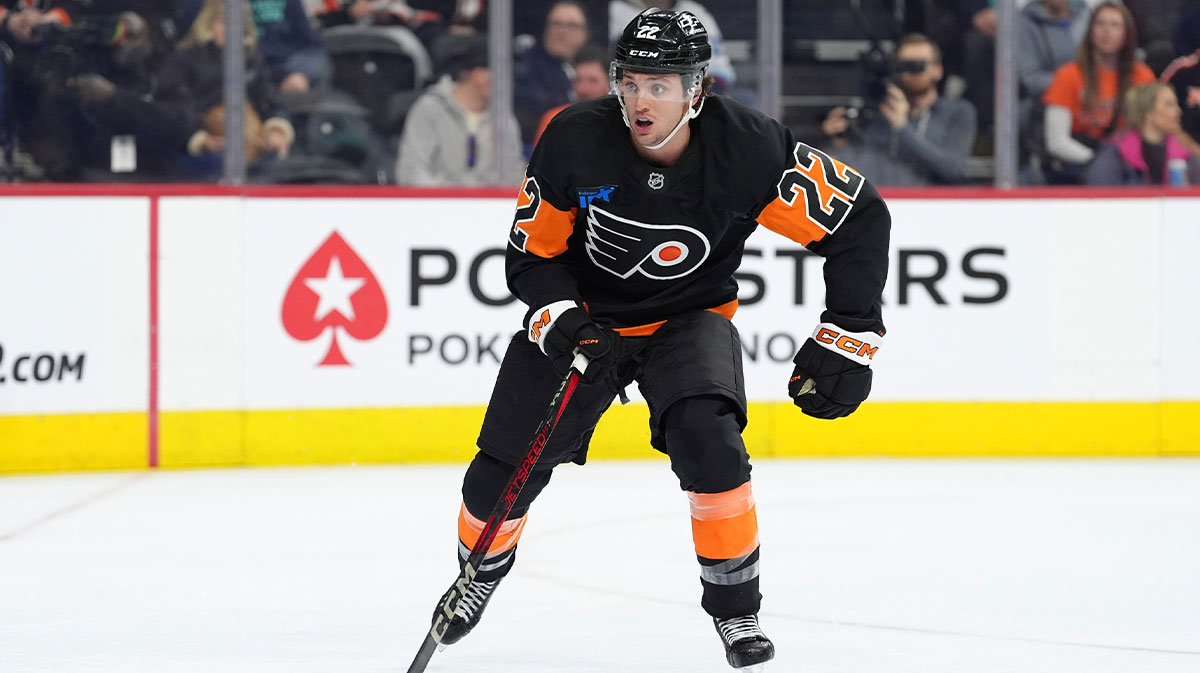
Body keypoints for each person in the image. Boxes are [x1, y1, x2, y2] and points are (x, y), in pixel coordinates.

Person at [429, 7, 890, 671]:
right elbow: (532, 255)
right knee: (499, 472)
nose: (641, 101)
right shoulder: (573, 137)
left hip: (689, 316)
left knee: (712, 441)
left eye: (661, 85)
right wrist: (563, 317)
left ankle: (736, 609)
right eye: (631, 82)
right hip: (586, 318)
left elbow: (858, 218)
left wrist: (848, 334)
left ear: (696, 91)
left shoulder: (749, 148)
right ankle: (479, 570)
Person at [821, 33, 976, 186]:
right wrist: (839, 141)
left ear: (938, 70)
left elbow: (953, 170)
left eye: (918, 65)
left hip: (933, 205)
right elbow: (861, 169)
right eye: (904, 65)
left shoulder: (958, 112)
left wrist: (902, 127)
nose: (910, 73)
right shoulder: (879, 114)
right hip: (885, 202)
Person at [166, 0, 295, 180]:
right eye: (225, 22)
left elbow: (272, 101)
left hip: (251, 145)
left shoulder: (251, 61)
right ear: (208, 24)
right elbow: (174, 112)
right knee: (217, 166)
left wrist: (276, 130)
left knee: (279, 165)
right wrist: (201, 140)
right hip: (199, 152)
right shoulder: (183, 61)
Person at [1040, 1, 1156, 182]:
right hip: (1081, 164)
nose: (1106, 31)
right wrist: (1102, 162)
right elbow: (1056, 141)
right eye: (1100, 24)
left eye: (1115, 25)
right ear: (1090, 31)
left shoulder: (1142, 76)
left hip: (1131, 166)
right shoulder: (1068, 75)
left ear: (1127, 34)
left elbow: (1153, 130)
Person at [395, 32, 523, 185]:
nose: (511, 83)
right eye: (506, 74)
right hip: (435, 207)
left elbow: (514, 175)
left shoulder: (504, 118)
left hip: (491, 208)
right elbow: (412, 173)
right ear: (479, 75)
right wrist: (454, 200)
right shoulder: (430, 109)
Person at [1086, 81, 1200, 184]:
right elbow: (1101, 192)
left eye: (1176, 105)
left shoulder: (1184, 153)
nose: (1178, 111)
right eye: (1169, 105)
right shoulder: (1116, 152)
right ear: (1147, 112)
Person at [513, 0, 590, 151]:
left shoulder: (596, 66)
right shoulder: (524, 67)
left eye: (572, 26)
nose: (562, 32)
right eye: (556, 24)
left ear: (585, 34)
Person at [608, 0, 735, 91]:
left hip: (687, 95)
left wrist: (689, 93)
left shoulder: (695, 12)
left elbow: (721, 74)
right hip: (633, 90)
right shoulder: (617, 10)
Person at [532, 43, 609, 146]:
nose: (583, 89)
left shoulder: (623, 122)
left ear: (610, 83)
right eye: (578, 80)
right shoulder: (554, 120)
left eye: (593, 81)